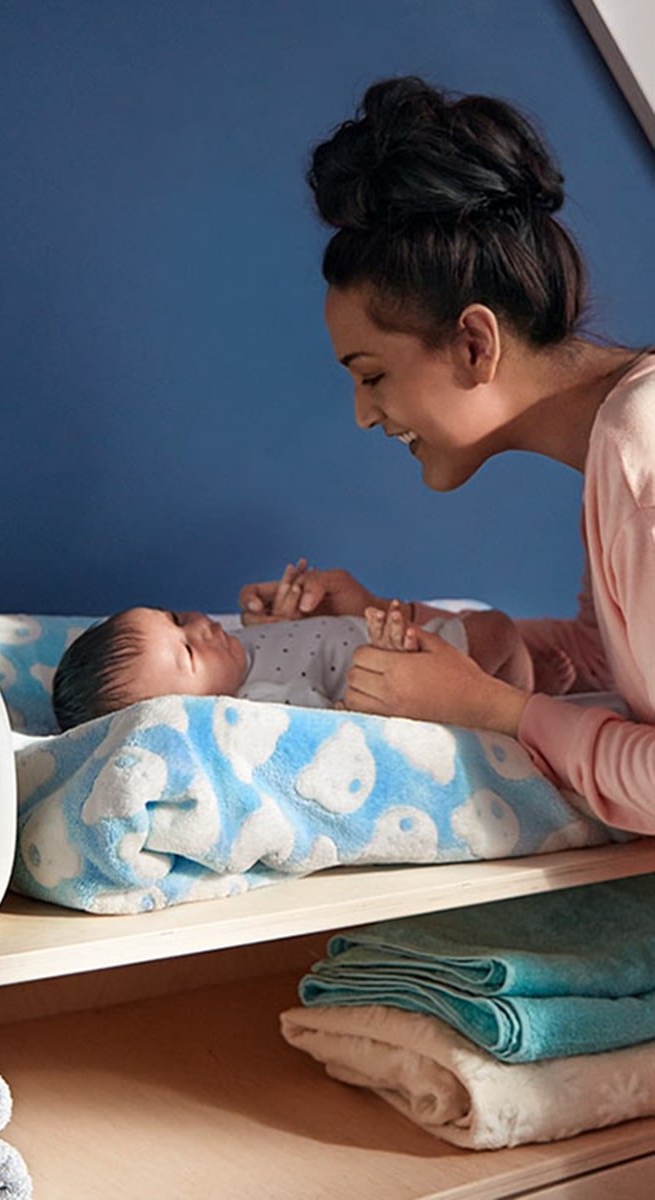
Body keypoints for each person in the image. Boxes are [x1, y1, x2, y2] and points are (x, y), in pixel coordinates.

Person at [240, 77, 654, 832]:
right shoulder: (621, 444)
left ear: (474, 343)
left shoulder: (644, 448)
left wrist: (497, 711)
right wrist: (378, 628)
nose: (365, 415)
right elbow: (605, 665)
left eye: (373, 375)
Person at [51, 589, 533, 731]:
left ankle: (531, 694)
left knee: (500, 631)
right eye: (189, 651)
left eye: (175, 617)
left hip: (398, 636)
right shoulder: (260, 704)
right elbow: (337, 722)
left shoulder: (238, 649)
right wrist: (390, 663)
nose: (198, 625)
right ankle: (524, 709)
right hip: (413, 666)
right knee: (499, 631)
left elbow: (292, 647)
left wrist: (276, 625)